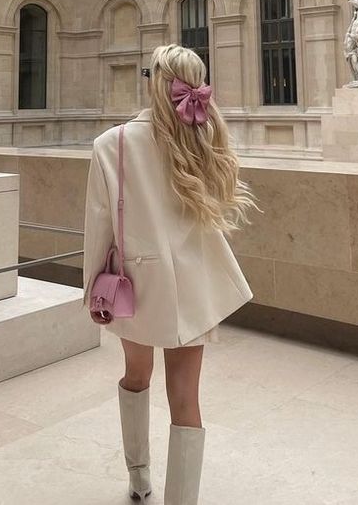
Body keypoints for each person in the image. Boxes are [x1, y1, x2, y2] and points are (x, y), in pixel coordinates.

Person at [82, 44, 259, 504]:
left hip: (136, 285)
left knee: (135, 376)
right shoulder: (205, 137)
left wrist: (91, 291)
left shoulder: (112, 144)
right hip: (192, 290)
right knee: (186, 401)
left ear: (153, 82)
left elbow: (100, 223)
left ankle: (138, 477)